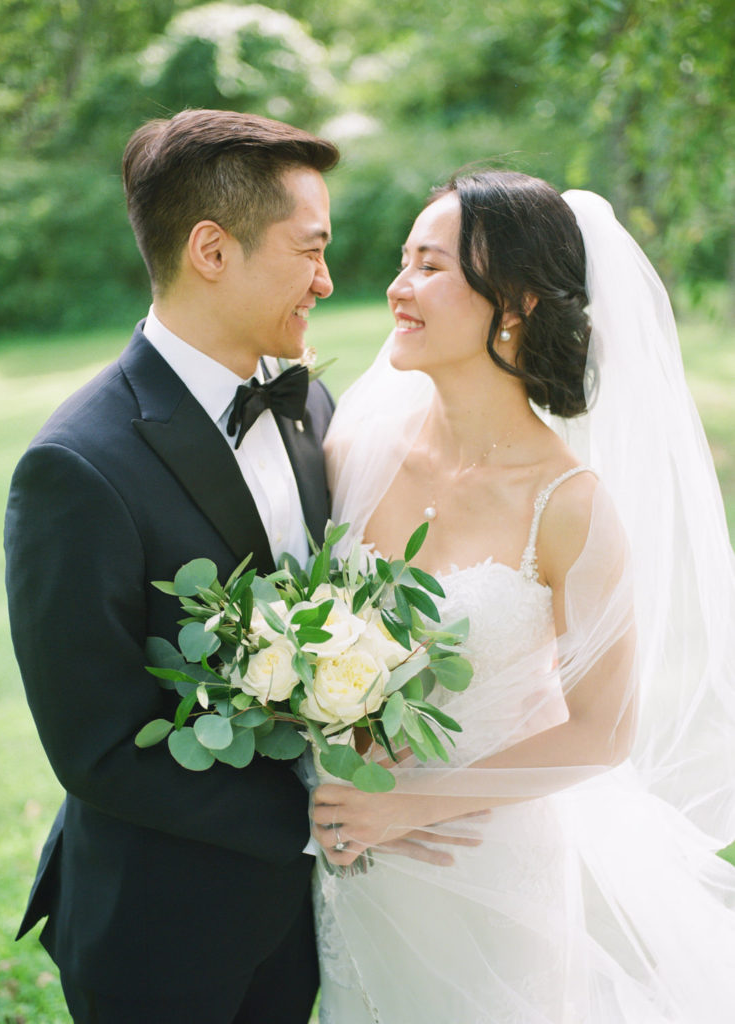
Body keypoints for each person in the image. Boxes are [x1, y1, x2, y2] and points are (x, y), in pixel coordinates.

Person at [309, 171, 735, 1022]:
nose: (398, 288)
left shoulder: (570, 504)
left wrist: (409, 805)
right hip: (352, 859)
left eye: (428, 267)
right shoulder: (355, 446)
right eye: (403, 261)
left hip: (487, 868)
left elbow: (603, 732)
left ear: (515, 303)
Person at [4, 108, 339, 1024]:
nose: (327, 279)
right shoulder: (76, 467)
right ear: (211, 250)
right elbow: (98, 746)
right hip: (162, 930)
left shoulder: (307, 400)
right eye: (309, 250)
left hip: (305, 921)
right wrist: (314, 822)